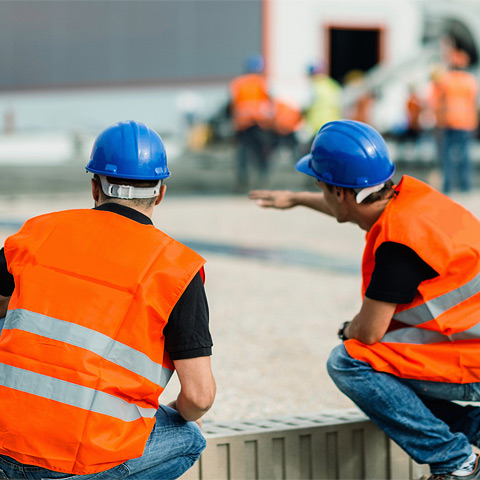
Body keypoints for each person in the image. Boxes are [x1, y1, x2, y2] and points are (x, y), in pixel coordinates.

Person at [249, 119, 480, 479]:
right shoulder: (415, 202)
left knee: (350, 362)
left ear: (338, 192)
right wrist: (297, 199)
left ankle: (456, 461)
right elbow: (354, 206)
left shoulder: (399, 243)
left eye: (320, 188)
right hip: (468, 342)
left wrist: (347, 330)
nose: (323, 194)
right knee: (390, 361)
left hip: (471, 360)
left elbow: (368, 332)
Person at [0, 120, 216, 479]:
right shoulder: (177, 268)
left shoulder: (36, 232)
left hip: (5, 445)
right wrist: (168, 412)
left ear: (94, 188)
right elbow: (199, 398)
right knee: (188, 437)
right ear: (161, 193)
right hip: (80, 463)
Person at [229, 53, 275, 191]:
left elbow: (232, 104)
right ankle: (262, 178)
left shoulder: (238, 83)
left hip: (242, 124)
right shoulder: (262, 82)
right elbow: (270, 102)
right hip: (259, 124)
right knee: (262, 152)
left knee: (243, 154)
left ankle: (242, 181)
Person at [437, 48, 479, 193]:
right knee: (465, 156)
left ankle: (447, 186)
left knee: (447, 157)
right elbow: (474, 102)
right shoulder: (470, 80)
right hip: (466, 123)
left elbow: (439, 101)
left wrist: (439, 120)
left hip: (449, 122)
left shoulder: (446, 79)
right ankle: (465, 186)